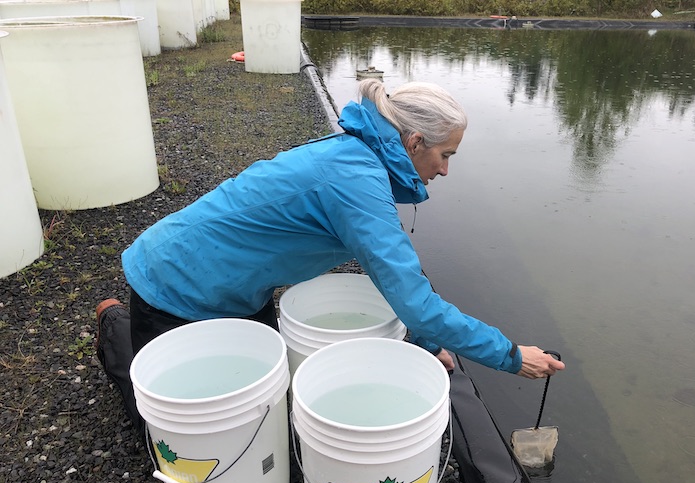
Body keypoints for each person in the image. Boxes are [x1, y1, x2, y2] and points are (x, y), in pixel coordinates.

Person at [96, 78, 566, 436]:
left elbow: (393, 278)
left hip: (239, 289)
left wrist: (426, 344)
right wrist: (509, 355)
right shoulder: (355, 182)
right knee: (173, 426)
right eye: (446, 154)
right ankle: (115, 325)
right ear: (415, 142)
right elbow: (416, 301)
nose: (445, 169)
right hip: (176, 280)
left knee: (260, 407)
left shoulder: (361, 163)